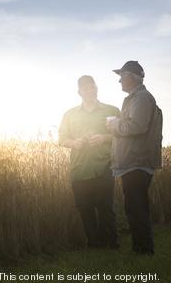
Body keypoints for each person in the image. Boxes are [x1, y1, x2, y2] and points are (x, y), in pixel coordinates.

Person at [106, 60, 163, 255]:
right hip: (131, 163)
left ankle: (144, 251)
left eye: (121, 76)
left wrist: (115, 124)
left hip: (137, 162)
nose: (119, 81)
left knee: (137, 208)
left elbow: (137, 127)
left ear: (132, 77)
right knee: (133, 208)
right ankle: (141, 249)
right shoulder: (133, 99)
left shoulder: (142, 98)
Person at [59, 75, 120, 249]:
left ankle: (111, 243)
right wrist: (74, 143)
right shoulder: (69, 114)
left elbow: (122, 134)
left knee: (105, 207)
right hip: (79, 169)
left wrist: (104, 138)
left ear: (97, 88)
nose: (90, 90)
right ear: (79, 92)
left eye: (92, 86)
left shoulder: (112, 111)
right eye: (85, 88)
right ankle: (94, 244)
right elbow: (62, 139)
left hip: (104, 167)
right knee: (85, 208)